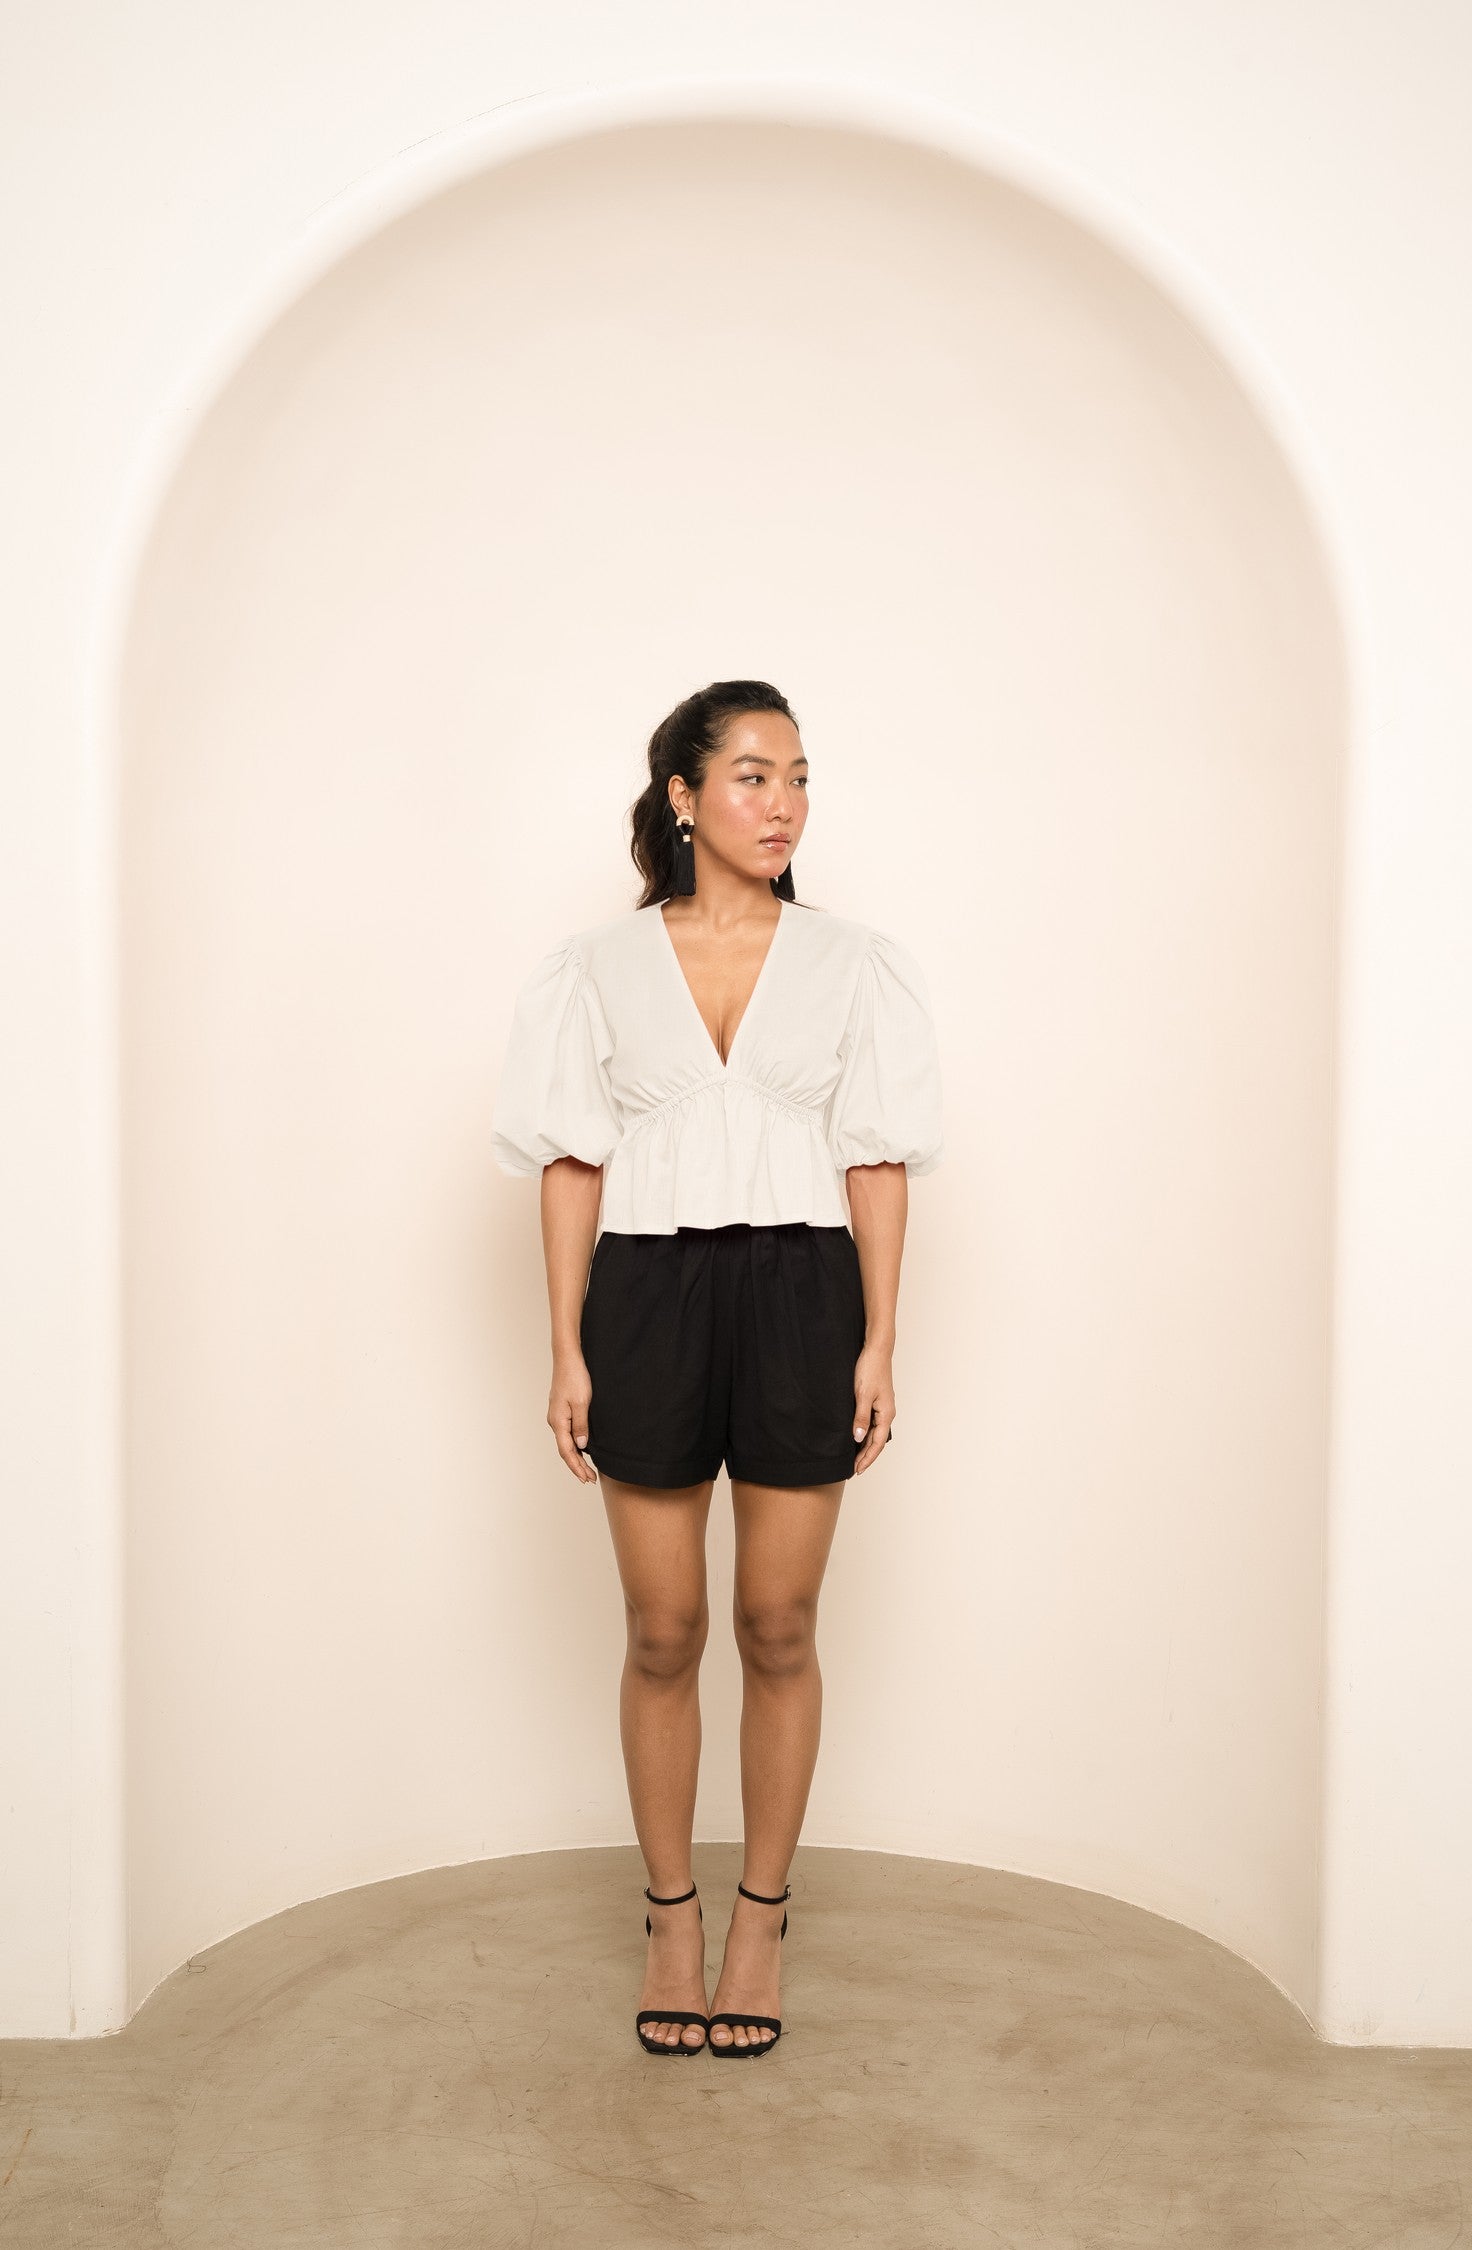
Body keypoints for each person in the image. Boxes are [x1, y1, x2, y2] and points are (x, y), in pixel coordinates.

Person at [490, 679, 944, 2058]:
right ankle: (670, 1916)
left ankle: (761, 1917)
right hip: (647, 1292)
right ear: (683, 797)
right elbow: (573, 1162)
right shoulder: (597, 966)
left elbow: (876, 1158)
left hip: (804, 1292)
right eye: (753, 775)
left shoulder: (855, 962)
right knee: (663, 1629)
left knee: (779, 1624)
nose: (784, 803)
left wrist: (878, 1336)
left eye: (799, 777)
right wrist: (565, 1345)